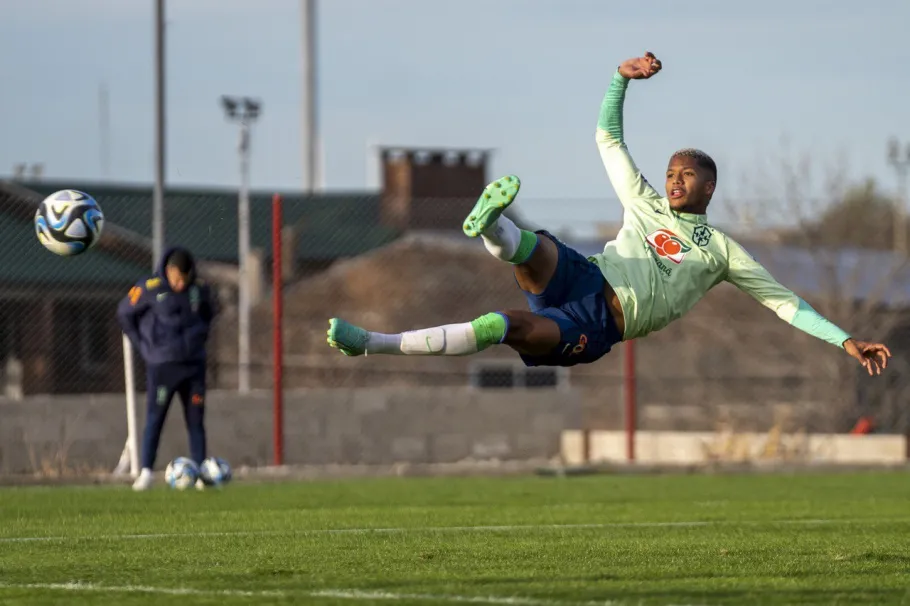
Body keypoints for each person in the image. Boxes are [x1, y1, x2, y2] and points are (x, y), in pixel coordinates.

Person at [326, 51, 891, 377]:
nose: (673, 179)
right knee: (532, 247)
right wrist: (620, 79)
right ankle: (493, 225)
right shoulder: (643, 201)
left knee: (503, 325)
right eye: (671, 171)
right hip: (588, 274)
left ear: (710, 187)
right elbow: (608, 138)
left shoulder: (722, 252)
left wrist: (846, 341)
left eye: (686, 174)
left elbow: (784, 303)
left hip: (597, 325)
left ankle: (372, 342)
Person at [117, 247, 217, 491]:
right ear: (169, 271)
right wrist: (144, 346)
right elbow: (124, 313)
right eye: (176, 279)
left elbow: (209, 314)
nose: (180, 284)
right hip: (163, 366)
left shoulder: (200, 288)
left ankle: (201, 471)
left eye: (185, 278)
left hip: (193, 366)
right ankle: (146, 472)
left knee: (196, 420)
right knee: (155, 418)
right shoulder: (149, 287)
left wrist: (199, 338)